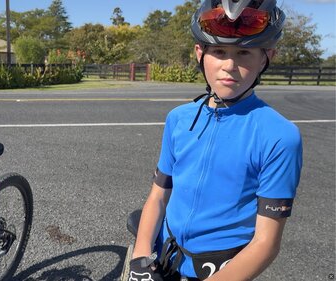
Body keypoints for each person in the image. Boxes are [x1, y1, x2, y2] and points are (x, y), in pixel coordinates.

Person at [129, 0, 303, 280]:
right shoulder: (178, 118)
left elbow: (266, 244)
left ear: (266, 57)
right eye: (219, 51)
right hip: (161, 256)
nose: (229, 66)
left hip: (220, 270)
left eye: (245, 53)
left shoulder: (280, 136)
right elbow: (158, 196)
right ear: (200, 53)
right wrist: (139, 257)